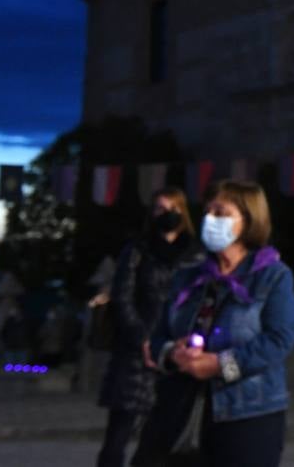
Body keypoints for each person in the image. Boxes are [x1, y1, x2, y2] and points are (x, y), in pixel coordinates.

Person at [137, 180, 294, 467]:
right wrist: (175, 352)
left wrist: (221, 365)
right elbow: (159, 334)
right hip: (179, 408)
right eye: (208, 212)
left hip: (247, 413)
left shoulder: (273, 276)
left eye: (221, 213)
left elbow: (278, 342)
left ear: (248, 221)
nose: (211, 220)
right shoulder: (188, 276)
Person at [96, 187, 203, 467]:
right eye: (159, 208)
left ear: (183, 212)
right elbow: (122, 296)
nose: (166, 214)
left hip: (177, 350)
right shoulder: (137, 250)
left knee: (162, 437)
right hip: (136, 350)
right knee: (118, 435)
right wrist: (142, 337)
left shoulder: (195, 253)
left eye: (173, 208)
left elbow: (202, 299)